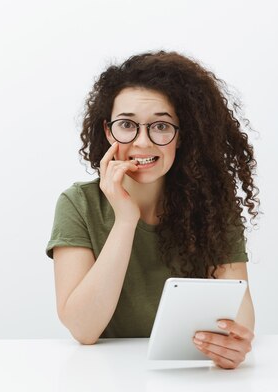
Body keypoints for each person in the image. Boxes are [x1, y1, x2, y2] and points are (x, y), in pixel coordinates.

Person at [46, 51, 260, 369]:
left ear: (181, 136)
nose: (142, 142)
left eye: (160, 126)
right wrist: (126, 220)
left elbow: (240, 320)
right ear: (108, 132)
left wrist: (232, 347)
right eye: (127, 125)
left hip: (189, 377)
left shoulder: (214, 207)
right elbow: (83, 328)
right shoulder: (78, 204)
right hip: (103, 379)